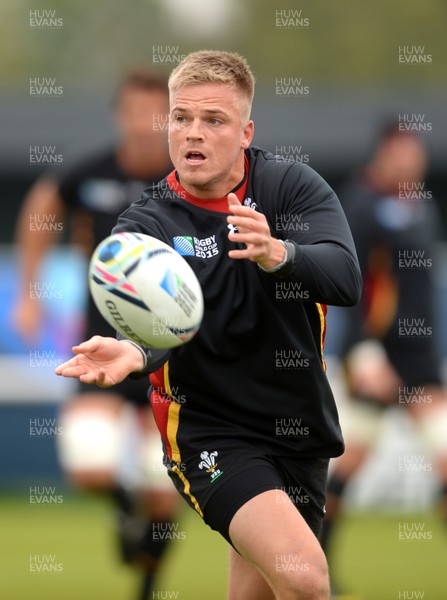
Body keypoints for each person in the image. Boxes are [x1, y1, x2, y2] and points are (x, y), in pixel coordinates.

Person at [55, 50, 362, 600]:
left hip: (299, 428)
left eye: (213, 120)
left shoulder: (291, 189)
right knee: (305, 578)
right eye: (181, 118)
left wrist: (280, 253)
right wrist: (133, 352)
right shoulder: (146, 223)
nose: (193, 133)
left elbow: (345, 279)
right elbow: (155, 327)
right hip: (212, 435)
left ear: (245, 132)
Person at [14, 69, 179, 600]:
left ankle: (148, 586)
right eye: (136, 110)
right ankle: (122, 506)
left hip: (171, 352)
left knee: (167, 489)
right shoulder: (90, 172)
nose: (146, 123)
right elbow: (41, 207)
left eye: (158, 112)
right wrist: (27, 292)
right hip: (100, 344)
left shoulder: (190, 177)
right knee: (87, 466)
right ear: (120, 115)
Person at [320, 124, 447, 595]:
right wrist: (365, 353)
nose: (410, 163)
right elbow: (350, 285)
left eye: (416, 154)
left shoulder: (422, 206)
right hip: (375, 360)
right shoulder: (359, 205)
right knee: (346, 466)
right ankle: (320, 570)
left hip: (419, 365)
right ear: (382, 155)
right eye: (401, 154)